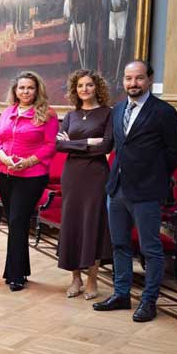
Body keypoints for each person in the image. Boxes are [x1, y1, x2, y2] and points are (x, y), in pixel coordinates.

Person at [94, 61, 177, 322]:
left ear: (149, 80)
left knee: (150, 249)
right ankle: (121, 294)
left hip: (147, 192)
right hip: (117, 189)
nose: (133, 83)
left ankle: (148, 301)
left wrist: (155, 174)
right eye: (128, 78)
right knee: (119, 244)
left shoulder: (163, 112)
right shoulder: (118, 109)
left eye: (138, 78)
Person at [0, 71, 59, 292]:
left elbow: (50, 145)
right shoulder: (8, 112)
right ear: (15, 90)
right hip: (5, 174)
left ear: (37, 90)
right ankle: (18, 270)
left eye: (30, 88)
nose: (25, 91)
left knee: (18, 221)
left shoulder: (47, 114)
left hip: (31, 176)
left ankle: (16, 275)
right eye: (21, 87)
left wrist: (28, 162)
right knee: (14, 223)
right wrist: (3, 158)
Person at [55, 70, 113, 299]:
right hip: (72, 175)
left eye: (89, 85)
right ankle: (75, 278)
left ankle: (92, 280)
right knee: (72, 224)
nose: (84, 89)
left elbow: (106, 146)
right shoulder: (71, 115)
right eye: (80, 86)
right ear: (75, 89)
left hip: (96, 175)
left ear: (97, 87)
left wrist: (74, 143)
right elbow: (59, 145)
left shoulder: (108, 113)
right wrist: (88, 142)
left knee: (92, 223)